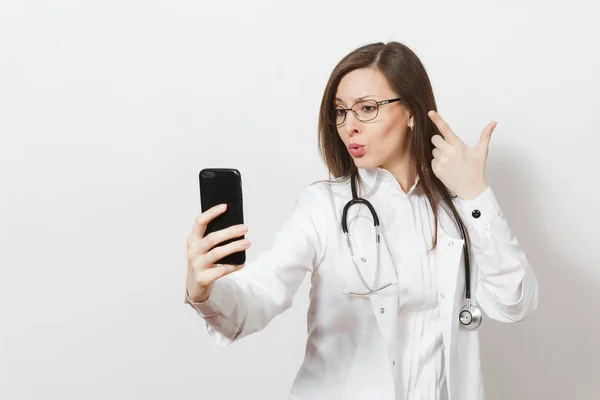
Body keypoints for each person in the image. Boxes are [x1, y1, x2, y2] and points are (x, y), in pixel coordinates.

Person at [184, 41, 539, 400]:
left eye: (366, 108)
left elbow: (514, 301)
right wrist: (205, 292)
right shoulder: (323, 206)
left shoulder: (456, 210)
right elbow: (255, 300)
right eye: (340, 111)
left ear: (412, 112)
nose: (348, 126)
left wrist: (476, 193)